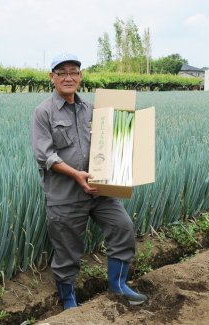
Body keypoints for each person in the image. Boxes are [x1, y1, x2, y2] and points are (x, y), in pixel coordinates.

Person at [31, 53, 147, 309]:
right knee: (67, 251)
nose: (69, 77)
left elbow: (111, 139)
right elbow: (45, 156)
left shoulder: (92, 109)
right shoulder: (43, 112)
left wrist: (126, 135)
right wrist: (76, 174)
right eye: (62, 73)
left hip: (98, 190)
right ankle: (69, 301)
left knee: (122, 227)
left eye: (74, 72)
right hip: (66, 196)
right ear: (52, 78)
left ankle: (118, 284)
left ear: (80, 77)